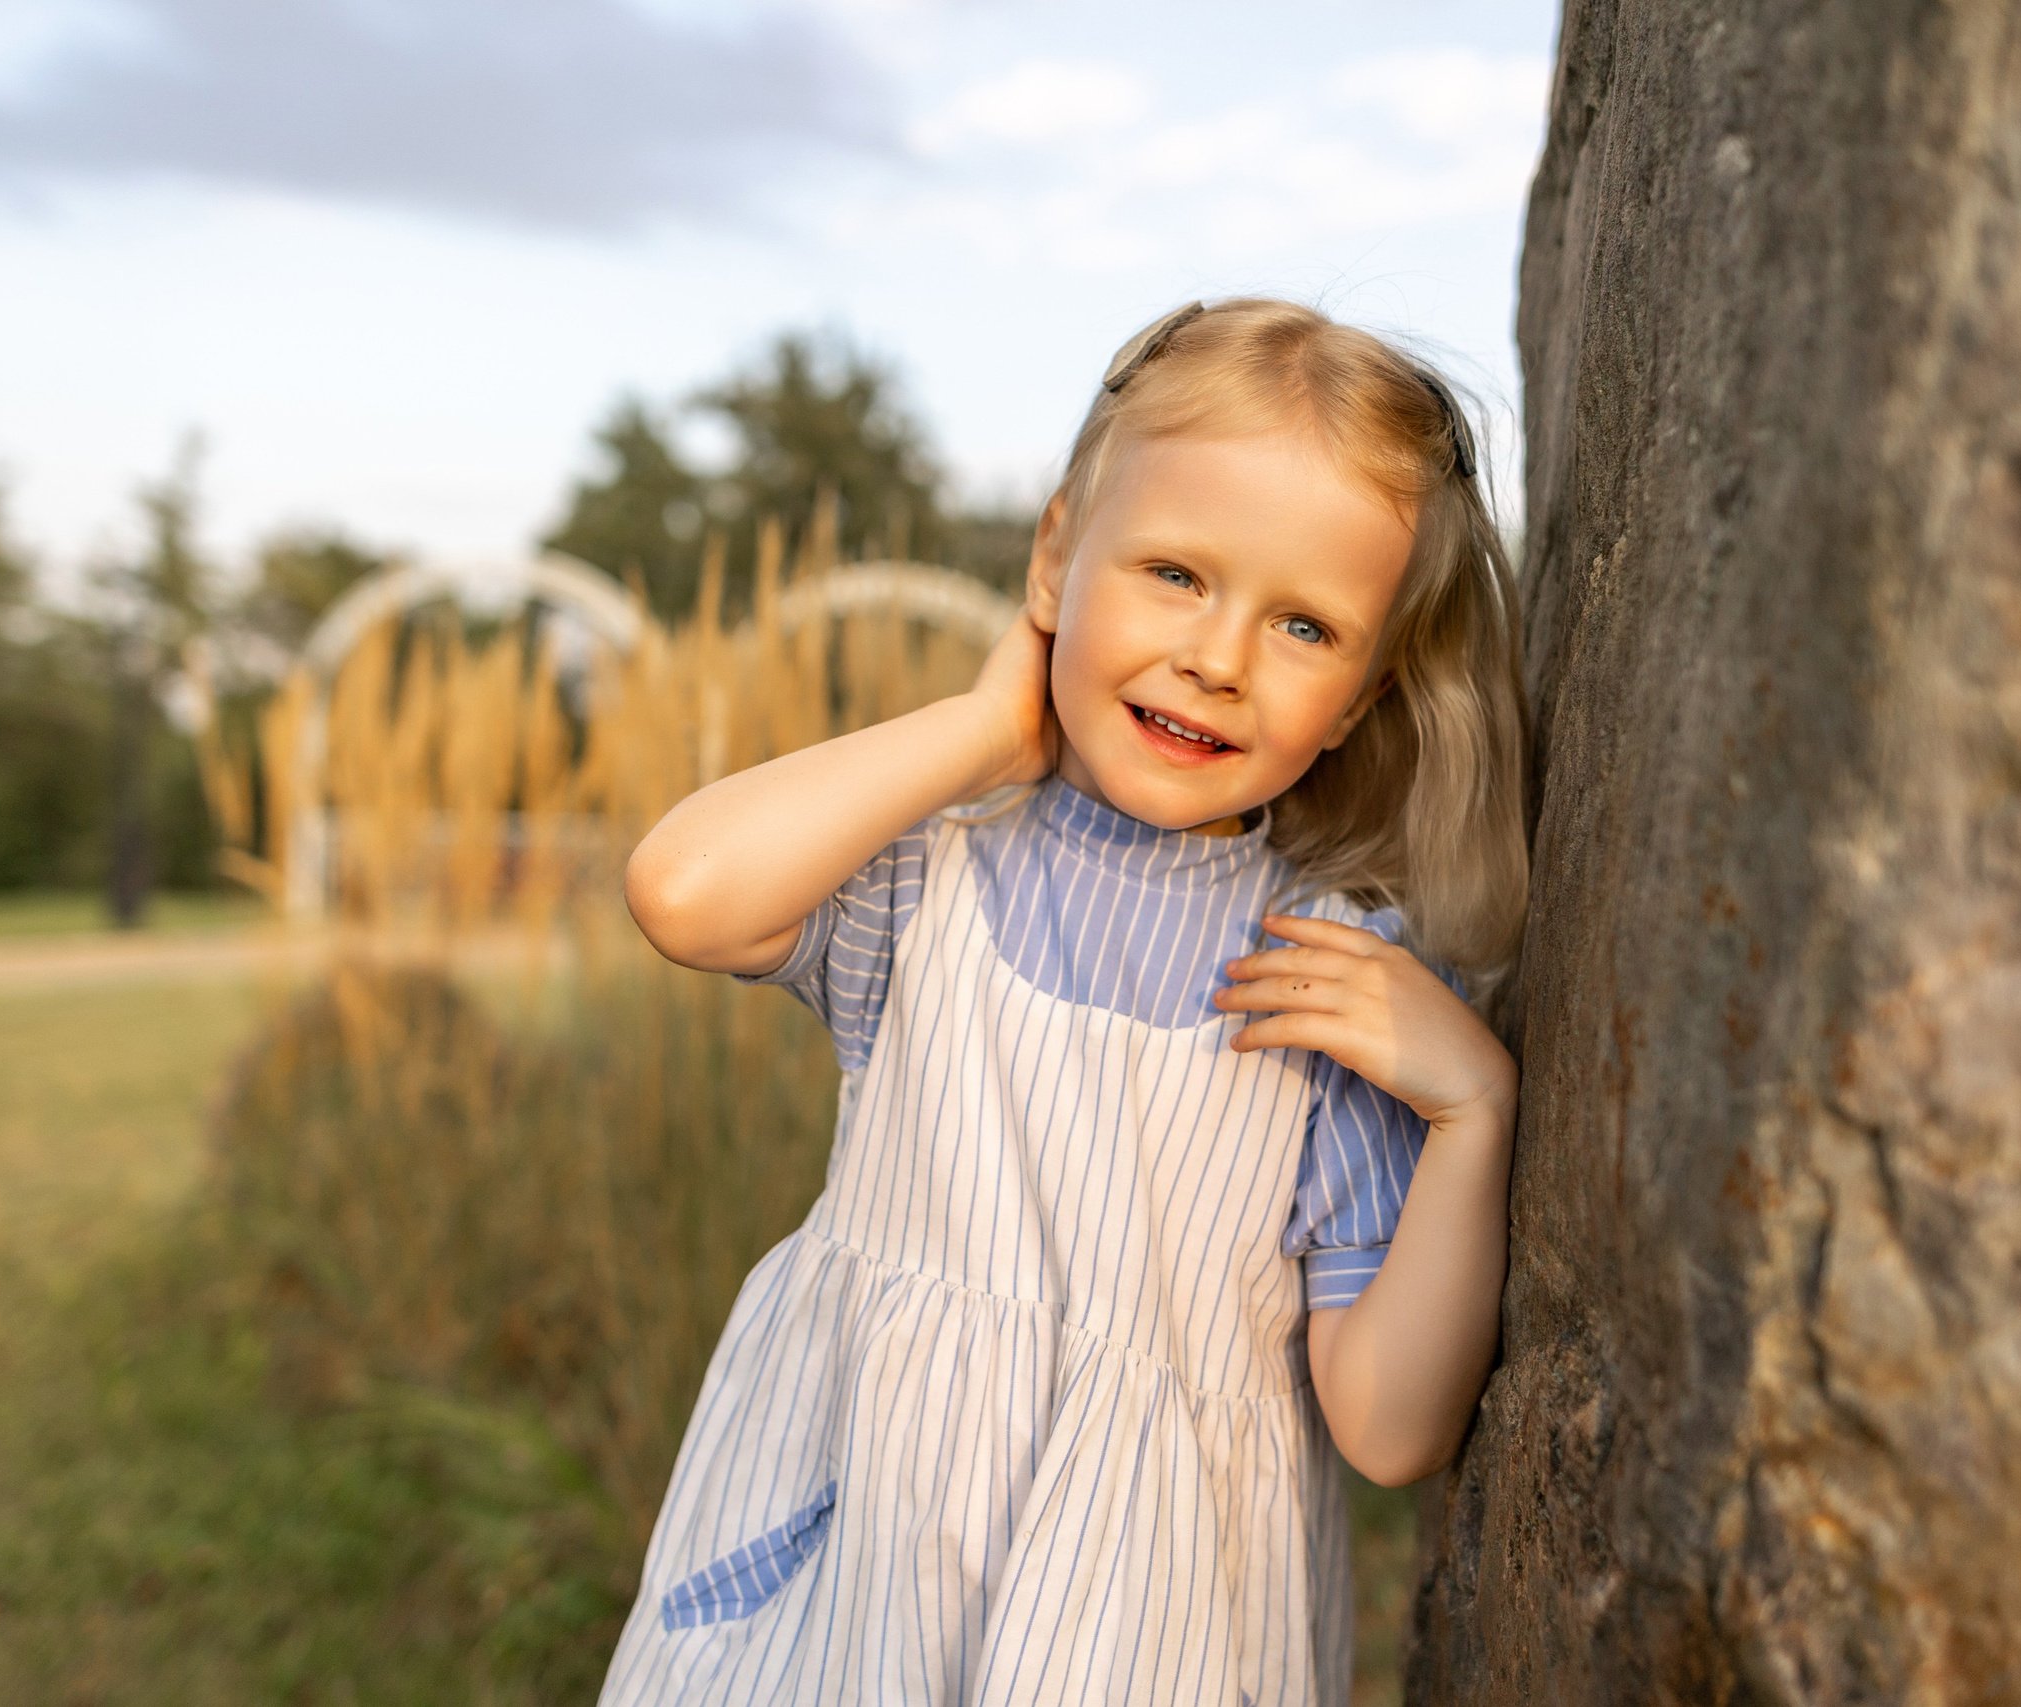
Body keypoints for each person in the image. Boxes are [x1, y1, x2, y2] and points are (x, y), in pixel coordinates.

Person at [602, 298, 1530, 1705]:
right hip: (866, 1593)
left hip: (1145, 1634)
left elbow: (1392, 1432)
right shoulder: (928, 882)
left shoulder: (1336, 985)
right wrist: (985, 727)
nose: (1219, 657)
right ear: (1056, 557)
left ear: (1358, 698)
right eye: (1175, 574)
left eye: (1304, 625)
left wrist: (1473, 1113)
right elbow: (685, 892)